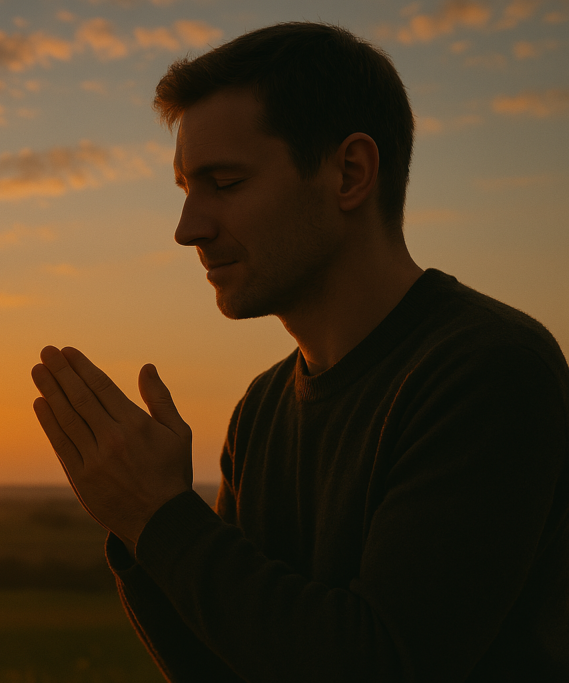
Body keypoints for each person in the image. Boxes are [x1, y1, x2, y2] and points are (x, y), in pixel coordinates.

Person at [30, 21, 569, 682]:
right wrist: (138, 528)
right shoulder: (260, 410)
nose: (188, 228)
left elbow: (382, 663)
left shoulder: (491, 369)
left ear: (350, 173)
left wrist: (159, 514)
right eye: (186, 189)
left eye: (225, 182)